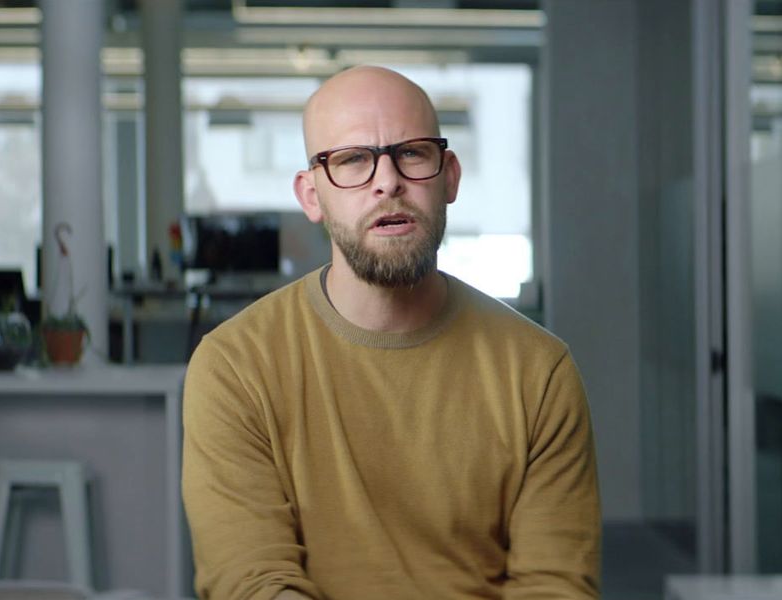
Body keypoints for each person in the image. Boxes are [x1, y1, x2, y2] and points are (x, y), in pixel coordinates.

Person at [182, 65, 601, 600]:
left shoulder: (539, 371)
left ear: (449, 176)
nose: (387, 180)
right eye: (352, 159)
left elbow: (555, 588)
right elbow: (253, 584)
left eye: (412, 152)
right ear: (311, 196)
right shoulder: (235, 366)